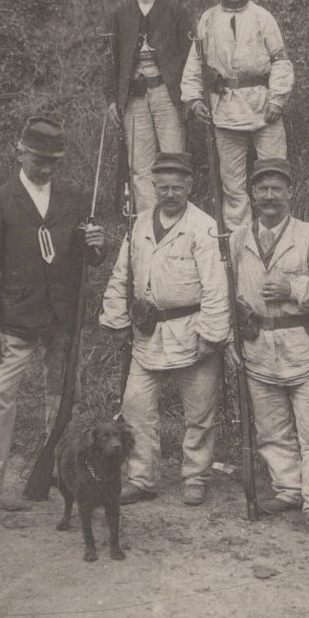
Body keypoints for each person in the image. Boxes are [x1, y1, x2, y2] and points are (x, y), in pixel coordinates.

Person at [0, 117, 106, 520]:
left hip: (62, 315)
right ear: (20, 151)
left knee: (61, 399)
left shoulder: (75, 195)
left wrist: (96, 245)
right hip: (14, 318)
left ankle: (56, 471)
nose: (45, 168)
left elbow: (85, 256)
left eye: (53, 160)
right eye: (39, 159)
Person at [98, 154, 230, 507]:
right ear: (153, 187)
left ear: (190, 186)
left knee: (199, 413)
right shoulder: (138, 225)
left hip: (192, 328)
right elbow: (121, 274)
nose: (170, 194)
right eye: (163, 187)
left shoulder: (204, 227)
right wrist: (117, 320)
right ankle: (142, 478)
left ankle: (196, 476)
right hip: (147, 332)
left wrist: (211, 333)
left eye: (177, 187)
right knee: (136, 407)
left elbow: (217, 286)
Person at [231, 158, 309, 536]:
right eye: (262, 189)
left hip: (302, 345)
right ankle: (288, 488)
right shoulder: (236, 237)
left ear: (290, 193)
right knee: (271, 430)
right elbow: (223, 290)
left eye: (277, 189)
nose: (269, 197)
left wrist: (294, 289)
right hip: (257, 346)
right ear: (251, 193)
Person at [180, 0, 295, 230]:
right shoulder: (207, 19)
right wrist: (194, 99)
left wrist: (278, 99)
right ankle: (238, 240)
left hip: (263, 106)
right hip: (225, 110)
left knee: (274, 174)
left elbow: (280, 60)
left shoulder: (262, 17)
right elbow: (195, 62)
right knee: (232, 183)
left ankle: (277, 231)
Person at [103, 0, 194, 212]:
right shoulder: (120, 15)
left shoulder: (176, 11)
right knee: (140, 167)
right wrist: (112, 99)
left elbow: (191, 57)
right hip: (134, 98)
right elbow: (110, 60)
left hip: (166, 94)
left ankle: (178, 223)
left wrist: (188, 96)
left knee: (174, 159)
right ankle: (147, 226)